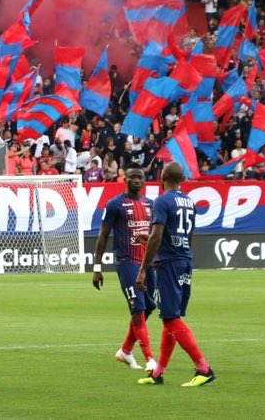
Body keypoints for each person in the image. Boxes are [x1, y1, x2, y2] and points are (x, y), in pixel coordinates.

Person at [136, 162, 215, 387]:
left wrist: (143, 270)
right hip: (184, 260)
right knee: (169, 318)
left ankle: (204, 369)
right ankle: (157, 373)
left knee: (171, 318)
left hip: (168, 264)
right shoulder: (189, 201)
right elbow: (188, 234)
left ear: (162, 177)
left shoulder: (162, 201)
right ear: (181, 179)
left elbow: (156, 236)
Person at [92, 166, 157, 372]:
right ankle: (149, 359)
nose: (136, 180)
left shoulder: (150, 204)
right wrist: (97, 267)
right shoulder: (114, 204)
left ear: (144, 181)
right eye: (132, 177)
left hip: (146, 263)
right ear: (125, 179)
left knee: (149, 307)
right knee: (137, 307)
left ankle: (125, 350)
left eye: (140, 177)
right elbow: (103, 235)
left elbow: (155, 235)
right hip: (127, 262)